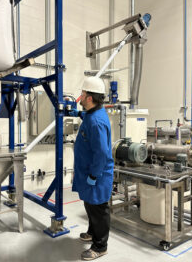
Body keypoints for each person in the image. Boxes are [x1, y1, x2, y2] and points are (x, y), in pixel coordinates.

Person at [70, 77, 114, 261]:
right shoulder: (92, 114)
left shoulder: (96, 122)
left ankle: (100, 245)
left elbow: (102, 153)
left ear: (89, 97)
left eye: (82, 93)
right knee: (90, 204)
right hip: (89, 171)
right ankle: (91, 232)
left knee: (98, 209)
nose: (80, 96)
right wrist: (76, 113)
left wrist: (94, 176)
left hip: (97, 174)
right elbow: (86, 116)